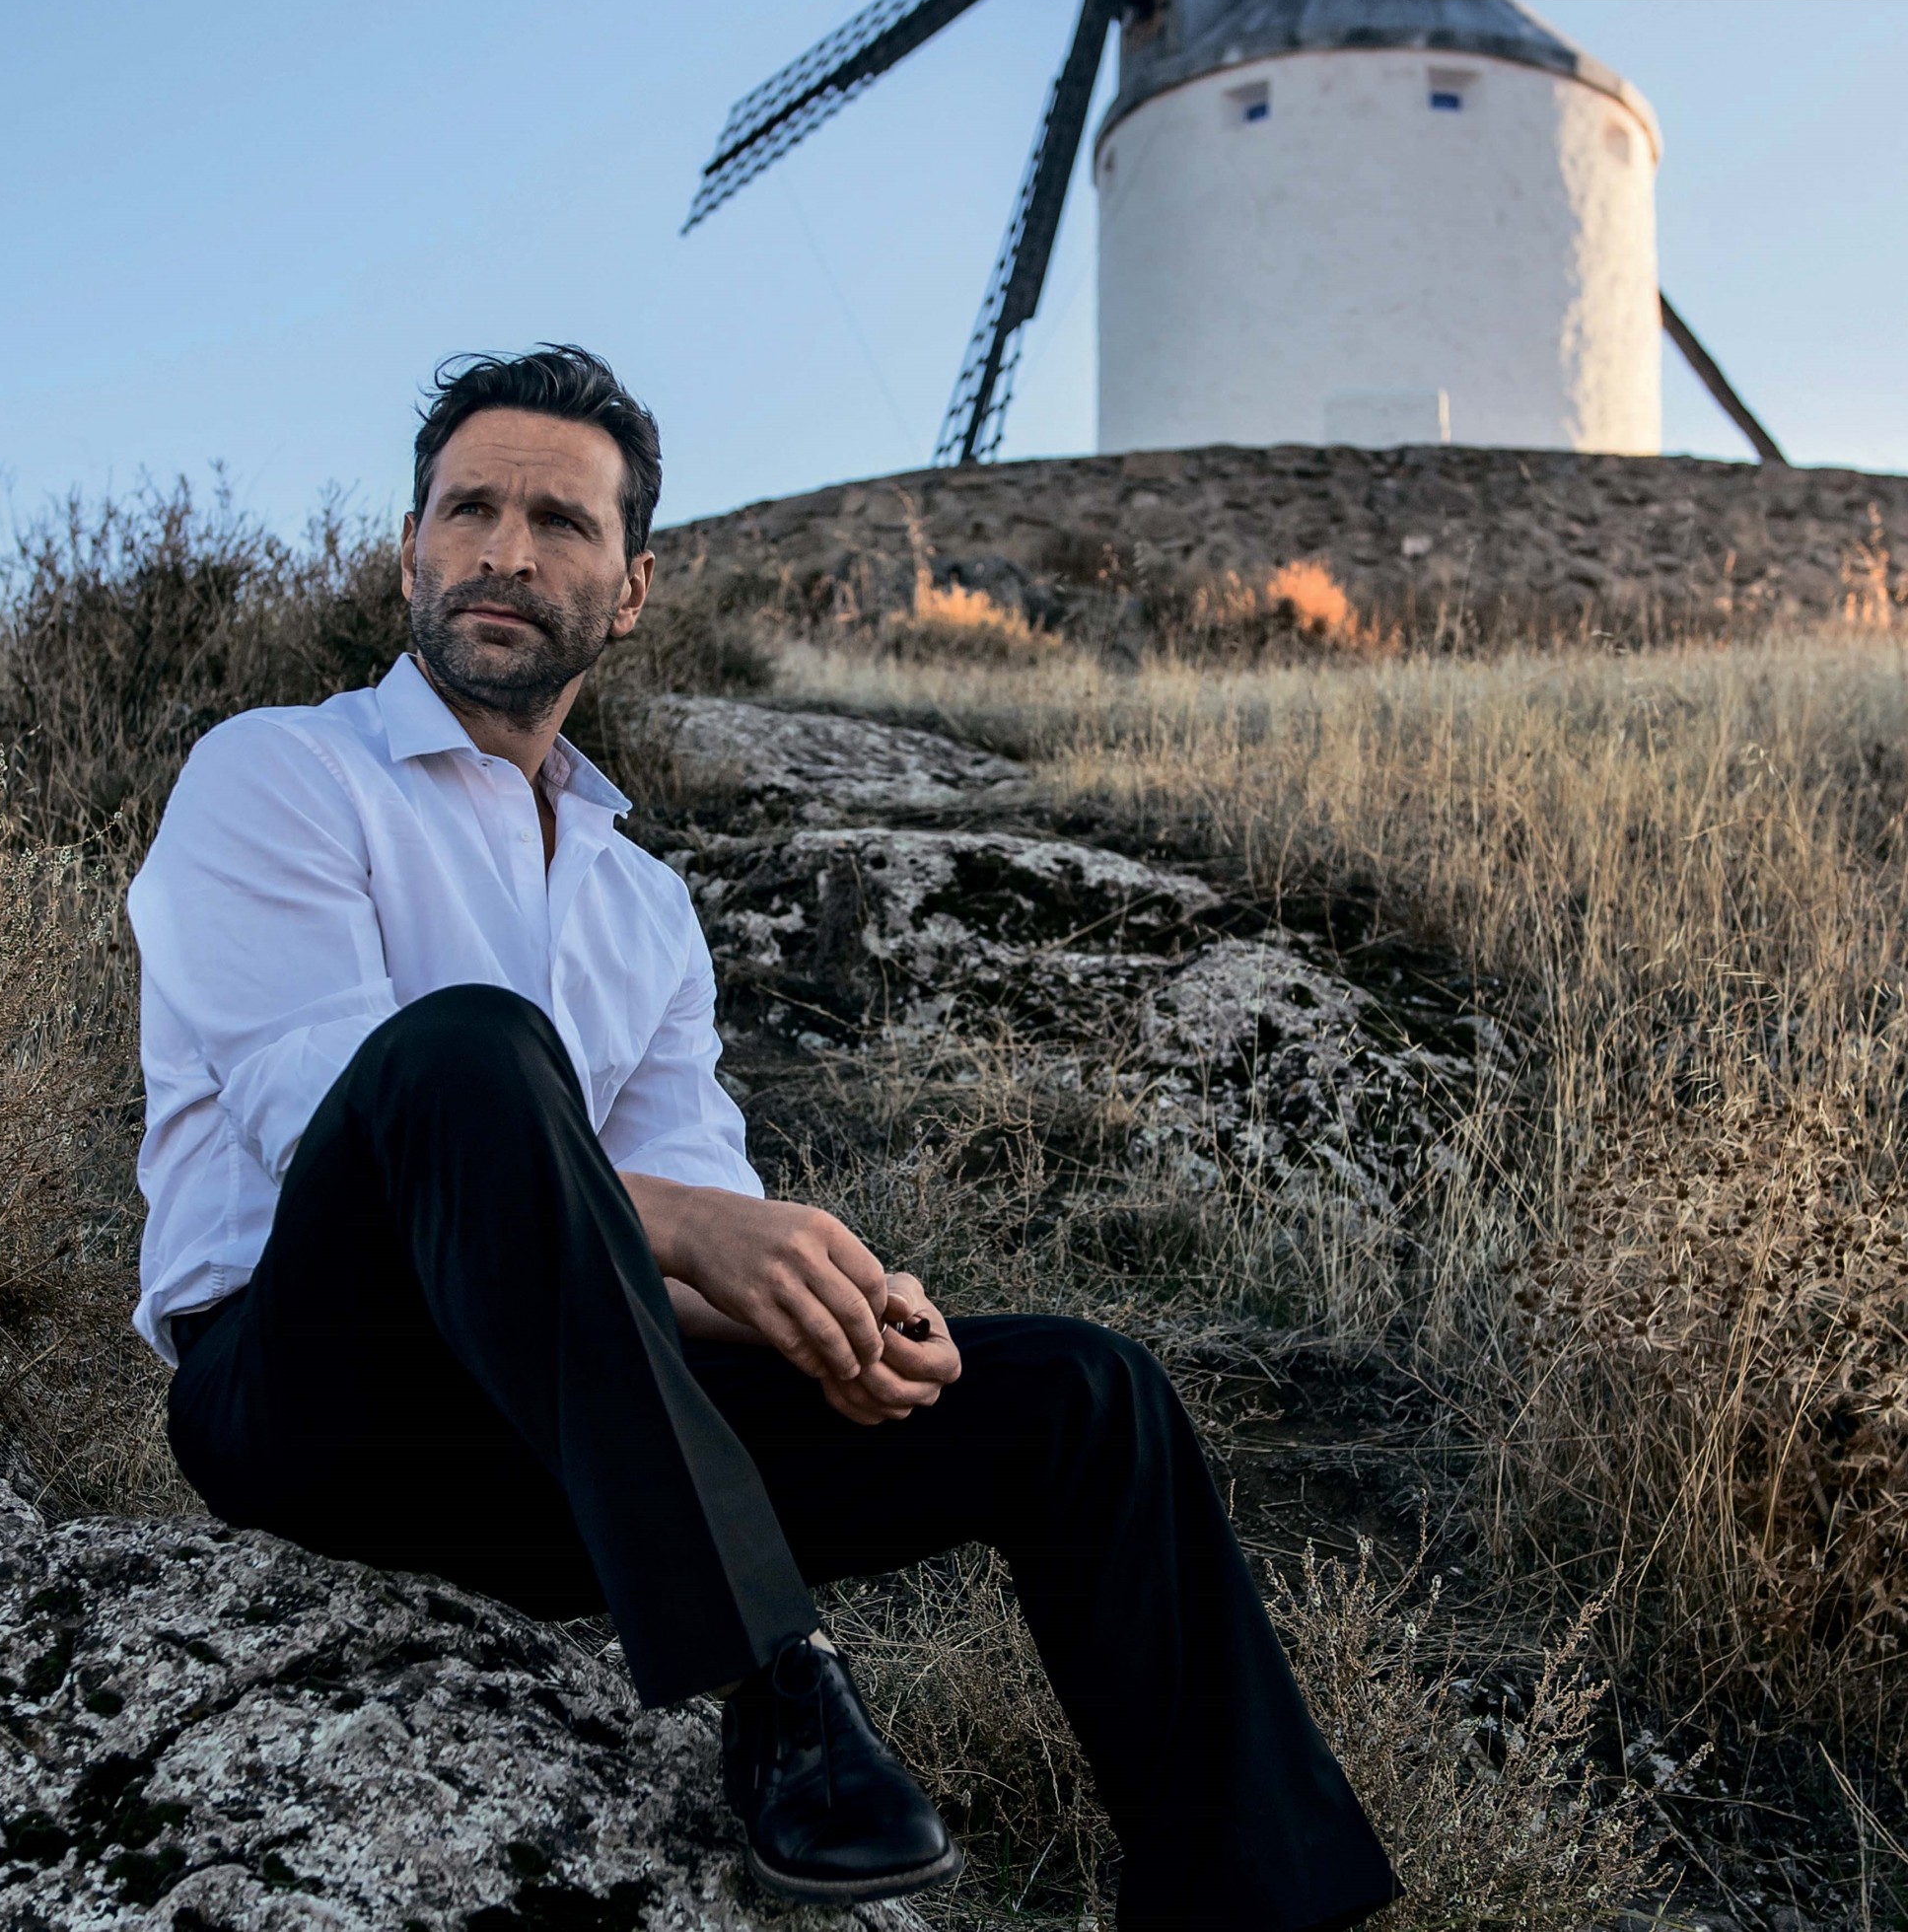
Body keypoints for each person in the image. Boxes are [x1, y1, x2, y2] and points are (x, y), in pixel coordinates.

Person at [128, 344, 1400, 1929]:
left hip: (556, 1452)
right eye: (469, 510)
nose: (507, 551)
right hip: (312, 1401)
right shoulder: (280, 773)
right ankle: (777, 1676)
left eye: (560, 521)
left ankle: (1259, 1910)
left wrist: (833, 1312)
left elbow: (700, 1237)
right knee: (466, 1051)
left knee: (1085, 1391)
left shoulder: (642, 902)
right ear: (410, 552)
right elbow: (321, 1110)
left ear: (633, 588)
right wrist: (687, 1230)